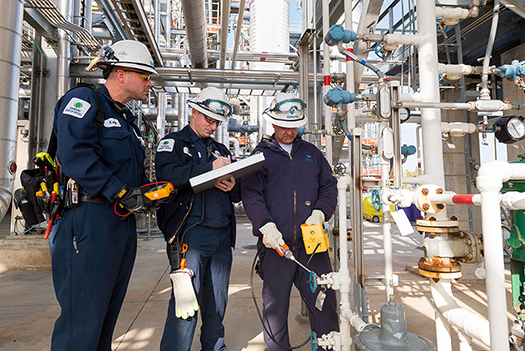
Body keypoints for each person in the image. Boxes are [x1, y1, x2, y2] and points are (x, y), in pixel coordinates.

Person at [49, 40, 158, 351]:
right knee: (81, 321)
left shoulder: (127, 118)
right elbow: (75, 156)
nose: (149, 83)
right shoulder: (83, 101)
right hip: (88, 220)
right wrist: (121, 191)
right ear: (121, 74)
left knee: (104, 318)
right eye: (145, 76)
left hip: (120, 223)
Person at [241, 93, 339, 350]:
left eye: (293, 126)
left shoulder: (312, 153)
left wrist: (320, 212)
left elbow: (329, 187)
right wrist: (265, 226)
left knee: (325, 303)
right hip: (276, 246)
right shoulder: (260, 155)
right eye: (283, 126)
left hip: (312, 245)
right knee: (275, 311)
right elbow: (251, 194)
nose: (289, 132)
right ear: (273, 123)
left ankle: (328, 346)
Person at [155, 87, 241, 351]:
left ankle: (215, 347)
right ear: (194, 111)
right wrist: (209, 169)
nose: (213, 126)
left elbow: (237, 193)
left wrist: (232, 184)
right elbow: (168, 177)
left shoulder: (221, 149)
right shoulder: (173, 144)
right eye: (209, 119)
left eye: (217, 122)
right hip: (191, 237)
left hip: (222, 237)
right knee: (186, 304)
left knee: (216, 303)